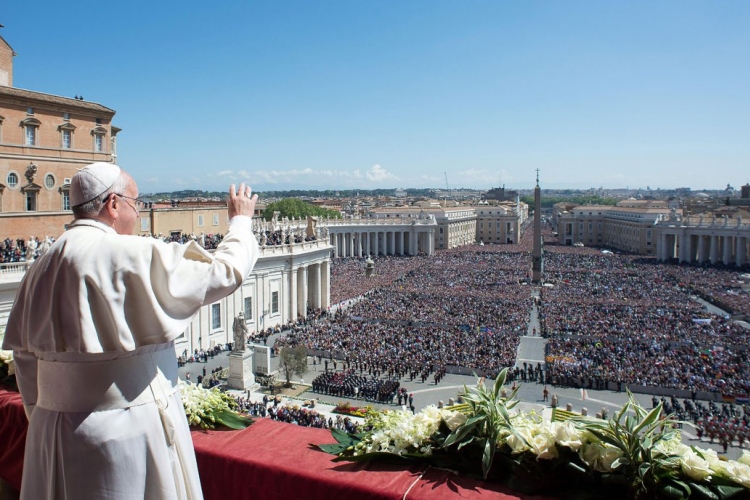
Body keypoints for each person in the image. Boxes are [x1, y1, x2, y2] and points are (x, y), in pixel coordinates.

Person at [3, 162, 259, 500]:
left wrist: (49, 414)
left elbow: (25, 360)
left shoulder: (40, 266)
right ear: (112, 204)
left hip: (51, 435)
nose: (137, 214)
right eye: (135, 203)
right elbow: (224, 272)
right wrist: (240, 221)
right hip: (127, 433)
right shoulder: (132, 254)